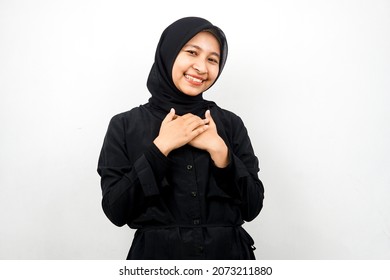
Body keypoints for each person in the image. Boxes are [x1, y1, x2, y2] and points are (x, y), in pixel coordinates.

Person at [97, 16, 264, 260]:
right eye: (192, 53)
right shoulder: (124, 125)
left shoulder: (229, 124)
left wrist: (221, 152)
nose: (202, 67)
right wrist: (161, 147)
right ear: (168, 53)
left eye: (212, 59)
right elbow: (116, 210)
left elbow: (252, 208)